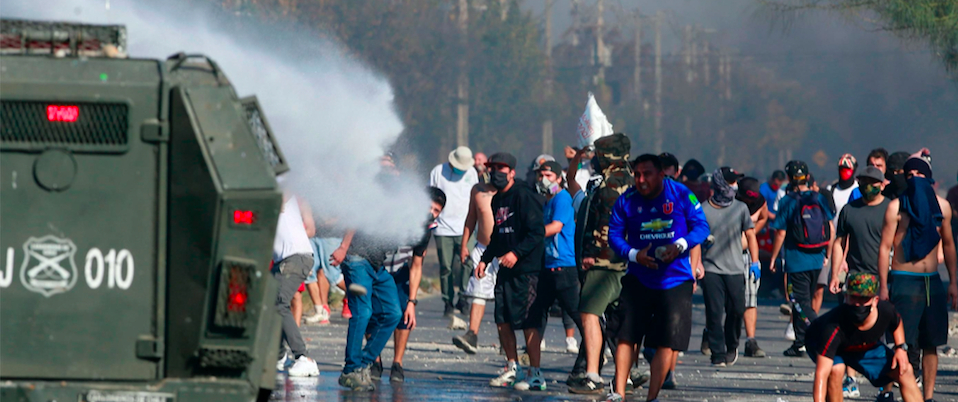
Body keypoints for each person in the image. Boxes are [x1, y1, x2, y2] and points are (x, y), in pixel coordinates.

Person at [606, 154, 710, 402]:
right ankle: (618, 393)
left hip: (675, 280)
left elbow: (701, 227)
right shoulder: (626, 200)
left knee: (666, 341)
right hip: (639, 277)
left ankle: (652, 397)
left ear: (662, 173)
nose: (641, 180)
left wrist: (681, 246)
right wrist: (633, 254)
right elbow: (614, 235)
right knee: (626, 336)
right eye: (637, 174)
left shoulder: (682, 194)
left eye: (647, 174)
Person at [878, 155, 957, 402]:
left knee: (931, 343)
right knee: (900, 342)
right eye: (909, 175)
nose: (914, 179)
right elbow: (884, 247)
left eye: (919, 175)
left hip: (931, 281)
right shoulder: (897, 207)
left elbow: (949, 244)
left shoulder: (942, 207)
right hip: (904, 279)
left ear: (929, 179)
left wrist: (953, 282)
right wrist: (883, 285)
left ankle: (929, 396)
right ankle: (888, 391)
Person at [568, 134, 633, 395]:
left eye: (599, 154)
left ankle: (592, 374)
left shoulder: (610, 187)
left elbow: (605, 225)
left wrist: (590, 253)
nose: (596, 159)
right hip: (628, 261)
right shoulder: (632, 180)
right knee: (621, 320)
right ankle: (625, 375)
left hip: (606, 263)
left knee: (589, 314)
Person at [474, 152, 546, 388]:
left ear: (512, 172)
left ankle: (535, 373)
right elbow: (497, 236)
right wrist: (485, 259)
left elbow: (537, 232)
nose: (496, 173)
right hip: (504, 269)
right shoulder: (497, 200)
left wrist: (517, 253)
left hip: (527, 270)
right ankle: (512, 367)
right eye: (492, 168)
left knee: (528, 321)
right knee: (502, 319)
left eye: (501, 169)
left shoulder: (524, 196)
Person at [510, 160, 583, 391]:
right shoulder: (545, 201)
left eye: (549, 174)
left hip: (564, 267)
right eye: (541, 174)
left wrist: (530, 235)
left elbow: (556, 227)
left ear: (558, 178)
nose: (544, 179)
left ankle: (597, 360)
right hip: (546, 266)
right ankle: (535, 372)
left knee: (581, 318)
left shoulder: (562, 198)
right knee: (534, 318)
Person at [806, 272, 922, 402]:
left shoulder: (885, 311)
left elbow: (897, 323)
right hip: (822, 343)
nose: (858, 304)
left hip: (863, 345)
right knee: (836, 370)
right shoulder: (833, 326)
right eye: (854, 298)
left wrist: (900, 347)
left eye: (864, 298)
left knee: (904, 370)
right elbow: (821, 374)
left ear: (875, 300)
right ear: (846, 298)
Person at [826, 165, 889, 397]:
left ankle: (884, 385)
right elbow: (839, 242)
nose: (866, 186)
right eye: (862, 181)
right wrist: (835, 273)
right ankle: (851, 379)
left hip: (883, 277)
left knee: (880, 330)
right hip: (856, 278)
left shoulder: (890, 208)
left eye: (872, 182)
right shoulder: (849, 210)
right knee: (851, 331)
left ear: (882, 184)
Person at [377, 187, 446, 383]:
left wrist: (412, 302)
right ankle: (375, 359)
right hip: (377, 268)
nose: (431, 214)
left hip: (400, 272)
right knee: (373, 314)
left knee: (404, 315)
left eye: (436, 211)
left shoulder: (425, 231)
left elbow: (416, 266)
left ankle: (397, 363)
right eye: (429, 208)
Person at [770, 160, 836, 358]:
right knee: (802, 301)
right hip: (817, 258)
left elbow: (780, 232)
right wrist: (828, 254)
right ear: (807, 177)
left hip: (796, 260)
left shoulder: (787, 201)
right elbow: (830, 228)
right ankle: (800, 342)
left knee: (800, 302)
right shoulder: (820, 198)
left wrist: (774, 257)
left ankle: (824, 332)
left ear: (789, 178)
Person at [699, 167, 759, 367]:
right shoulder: (703, 210)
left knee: (736, 310)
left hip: (735, 268)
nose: (734, 186)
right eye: (731, 182)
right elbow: (696, 240)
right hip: (711, 269)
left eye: (735, 182)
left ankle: (732, 345)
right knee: (714, 312)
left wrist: (756, 262)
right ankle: (717, 353)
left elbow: (751, 235)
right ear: (720, 184)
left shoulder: (740, 208)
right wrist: (696, 264)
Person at [273, 192, 321, 377]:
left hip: (294, 257)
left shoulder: (281, 188)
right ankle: (277, 356)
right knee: (267, 303)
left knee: (278, 303)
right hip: (286, 259)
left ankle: (304, 358)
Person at [429, 146, 480, 317]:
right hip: (443, 227)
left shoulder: (471, 173)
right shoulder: (438, 171)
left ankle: (464, 296)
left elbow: (475, 196)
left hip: (466, 226)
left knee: (468, 263)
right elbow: (430, 195)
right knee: (446, 267)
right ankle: (448, 301)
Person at [452, 180, 499, 354]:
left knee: (506, 295)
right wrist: (464, 244)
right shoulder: (478, 191)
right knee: (478, 292)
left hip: (505, 250)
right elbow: (471, 217)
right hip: (482, 247)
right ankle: (472, 335)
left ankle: (508, 340)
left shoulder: (516, 190)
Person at [816, 154, 862, 313]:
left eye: (848, 169)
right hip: (830, 241)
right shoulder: (831, 190)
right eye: (842, 169)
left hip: (849, 241)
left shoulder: (858, 190)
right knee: (828, 282)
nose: (845, 172)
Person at [735, 177, 769, 357]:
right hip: (726, 253)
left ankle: (750, 340)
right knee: (722, 299)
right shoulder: (730, 200)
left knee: (750, 297)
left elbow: (763, 217)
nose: (749, 203)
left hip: (746, 254)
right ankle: (713, 335)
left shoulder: (760, 202)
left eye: (752, 200)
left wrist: (752, 231)